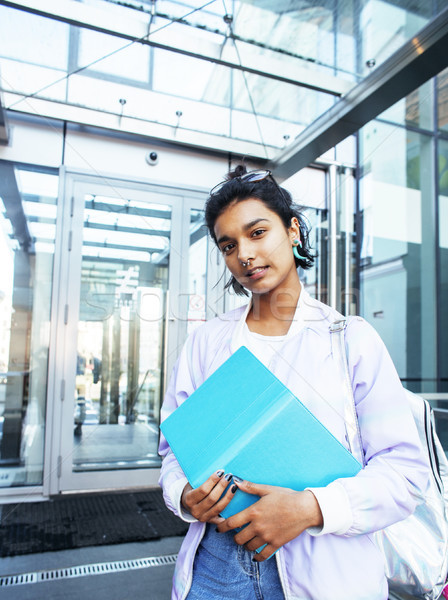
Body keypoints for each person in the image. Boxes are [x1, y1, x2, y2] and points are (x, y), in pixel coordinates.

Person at [158, 165, 428, 600]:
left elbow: (405, 473)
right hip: (217, 568)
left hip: (324, 568)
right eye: (229, 245)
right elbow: (175, 452)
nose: (244, 254)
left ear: (293, 230)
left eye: (258, 232)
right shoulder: (206, 342)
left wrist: (310, 508)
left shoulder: (350, 340)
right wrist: (185, 495)